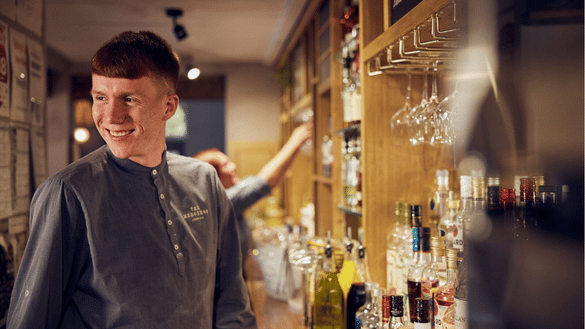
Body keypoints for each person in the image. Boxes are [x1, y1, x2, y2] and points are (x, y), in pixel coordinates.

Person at [7, 31, 256, 328]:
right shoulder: (66, 193)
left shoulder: (204, 181)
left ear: (169, 106)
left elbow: (232, 304)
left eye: (129, 98)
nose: (111, 116)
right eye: (101, 97)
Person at [194, 122, 312, 268]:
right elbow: (265, 182)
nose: (233, 167)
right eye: (225, 165)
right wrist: (296, 140)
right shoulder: (221, 201)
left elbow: (269, 181)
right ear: (212, 177)